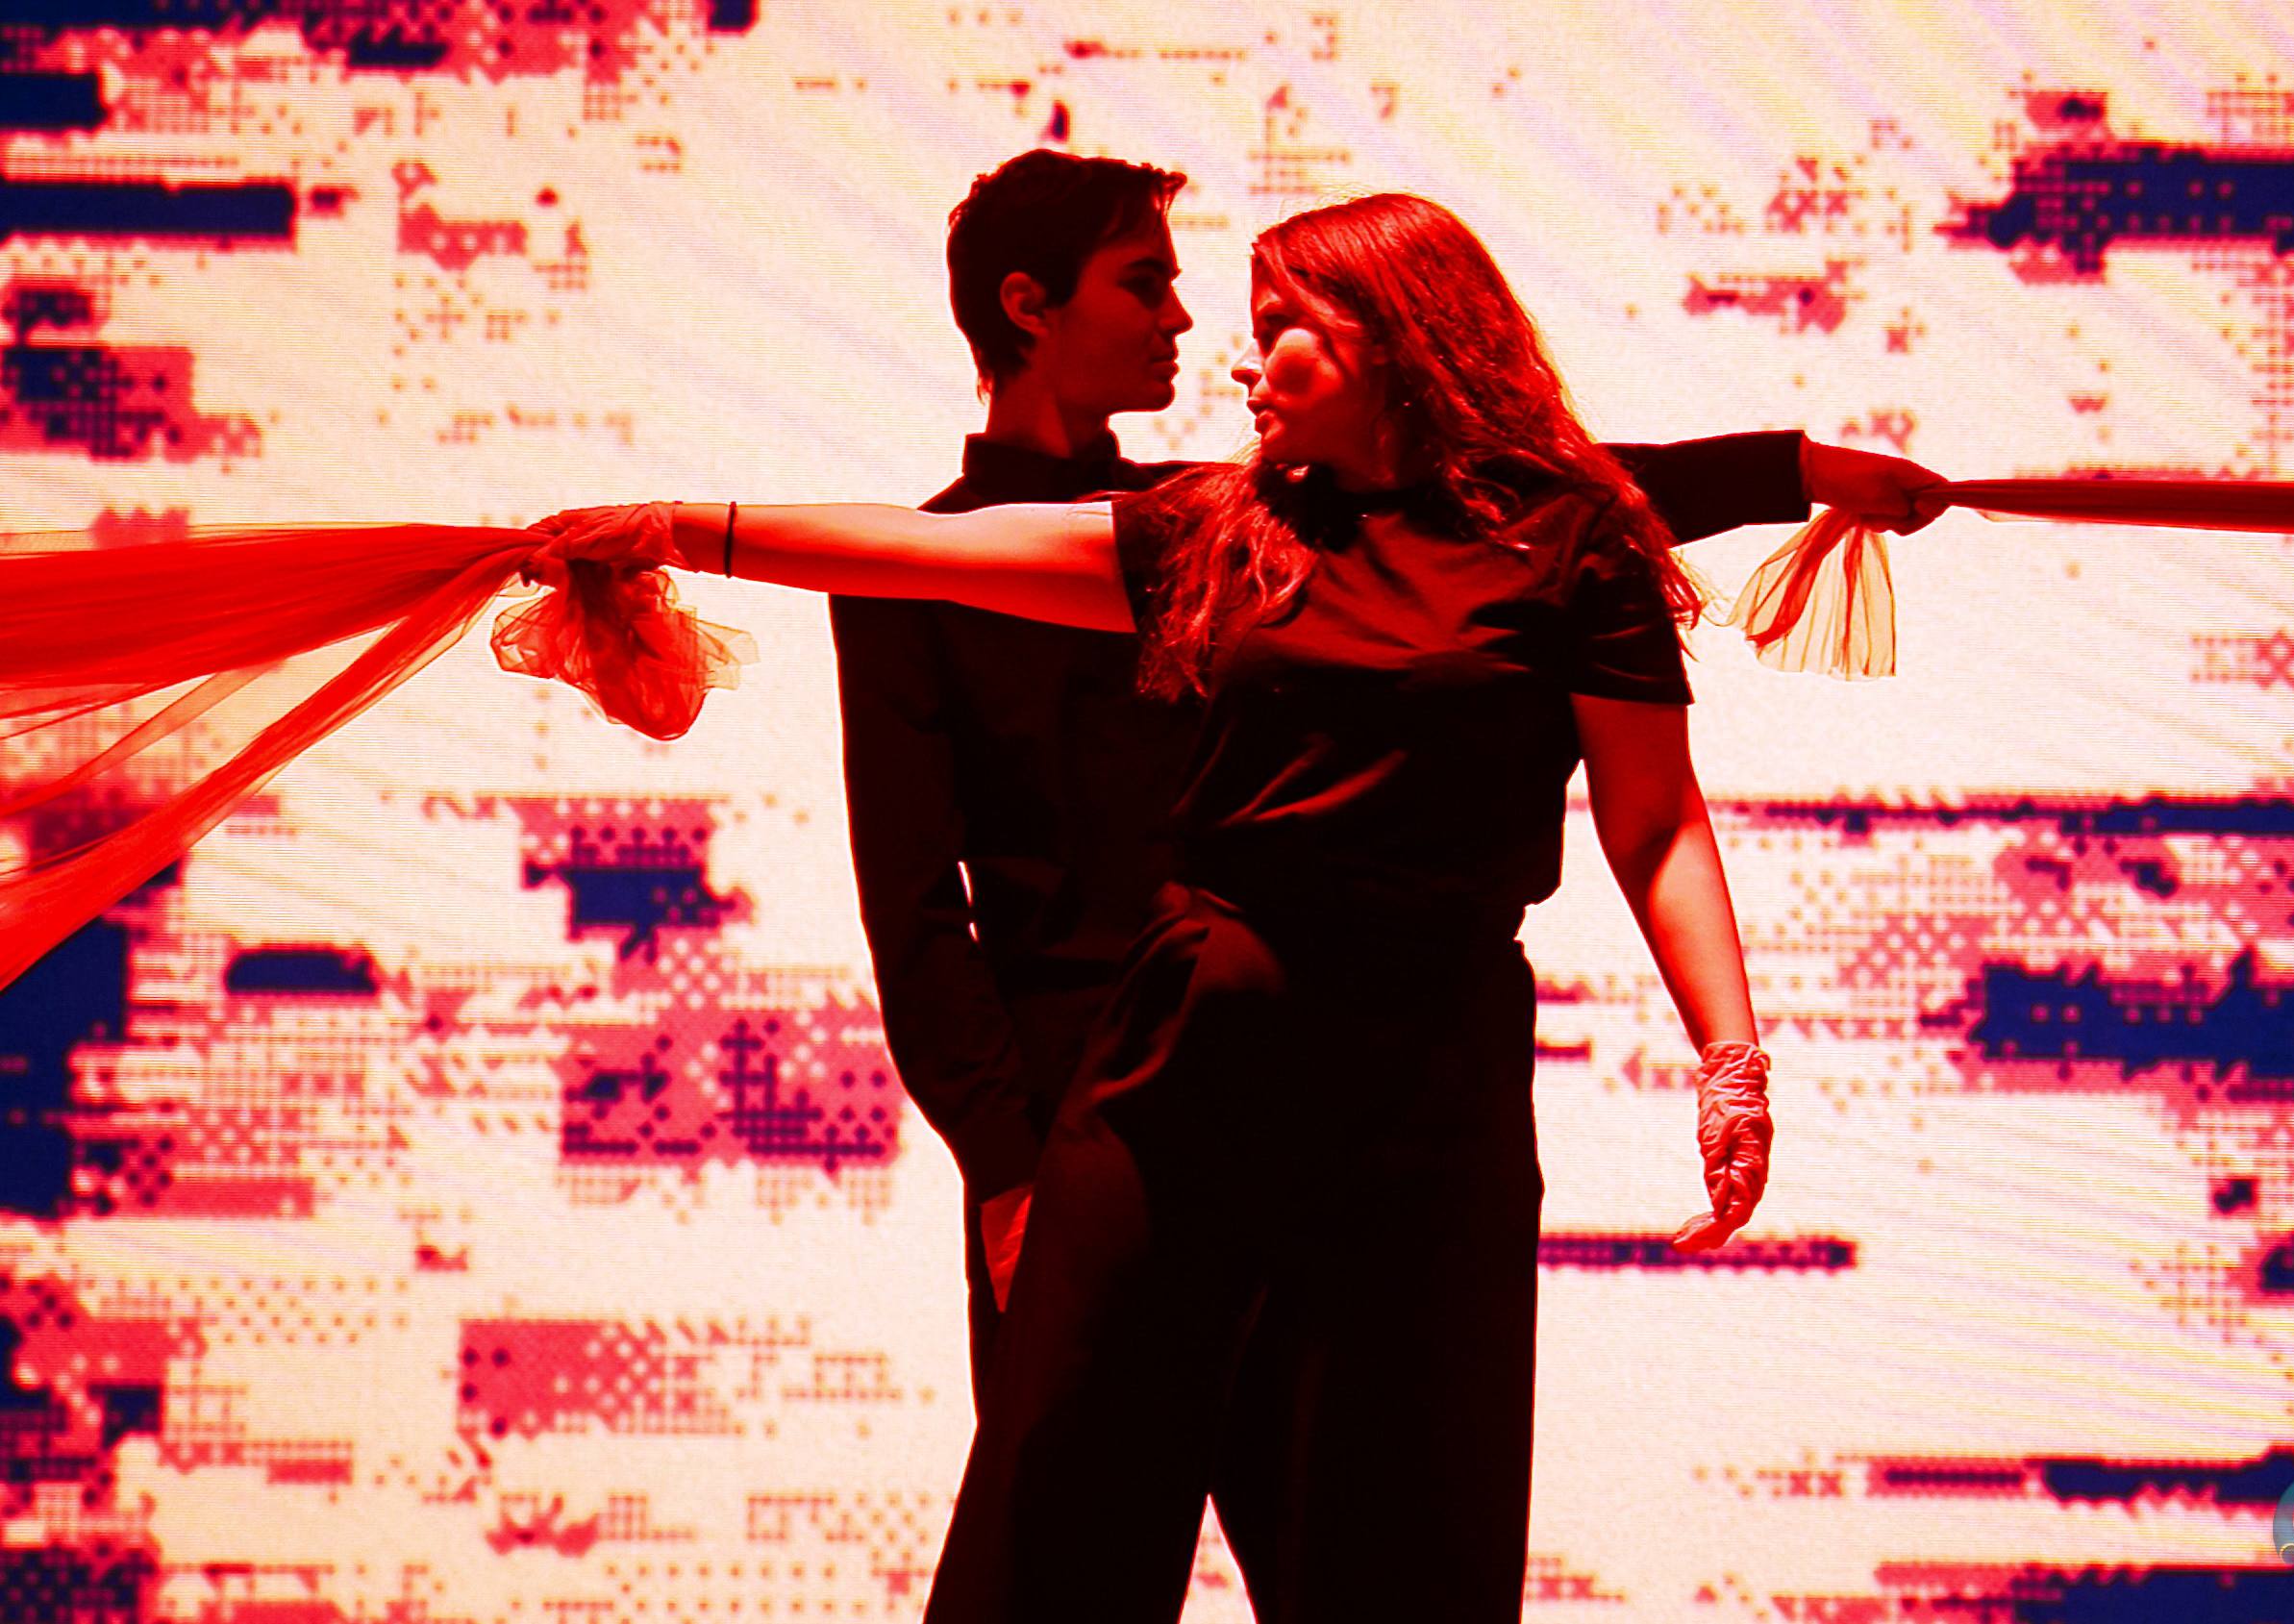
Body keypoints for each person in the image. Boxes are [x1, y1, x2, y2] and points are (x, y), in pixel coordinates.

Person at [532, 189, 1945, 1621]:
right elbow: (921, 552)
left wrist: (1730, 1059)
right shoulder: (1223, 527)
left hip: (1430, 1071)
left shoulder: (1571, 540)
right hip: (1193, 1043)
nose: (1241, 359)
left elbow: (1655, 822)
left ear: (1393, 340)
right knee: (1062, 1495)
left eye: (1282, 330)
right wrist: (670, 527)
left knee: (1404, 1532)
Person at [831, 149, 1939, 1453]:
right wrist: (1006, 1163)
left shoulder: (1237, 516)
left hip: (1285, 1066)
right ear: (1028, 304)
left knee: (1339, 1502)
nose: (1185, 320)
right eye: (1144, 282)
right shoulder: (919, 572)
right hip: (1082, 1103)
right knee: (1074, 1522)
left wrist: (1796, 468)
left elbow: (1529, 503)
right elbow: (914, 907)